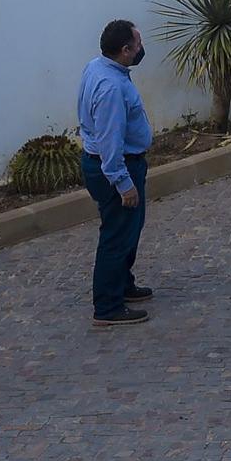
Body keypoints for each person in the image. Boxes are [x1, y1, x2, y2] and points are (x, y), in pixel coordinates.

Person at [79, 19, 156, 327]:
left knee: (128, 230)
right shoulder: (111, 87)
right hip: (117, 167)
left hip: (110, 163)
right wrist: (124, 183)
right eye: (138, 44)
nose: (141, 48)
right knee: (116, 235)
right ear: (125, 50)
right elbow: (111, 140)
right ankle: (108, 306)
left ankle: (123, 285)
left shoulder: (97, 67)